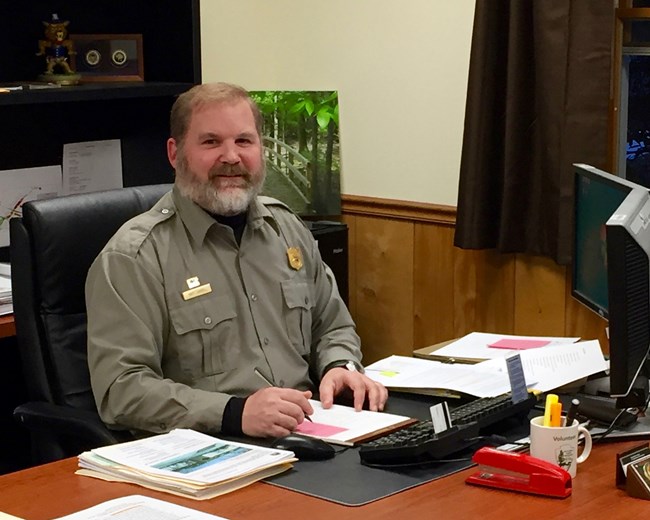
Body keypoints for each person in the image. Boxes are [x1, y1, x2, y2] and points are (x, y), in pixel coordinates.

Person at [86, 82, 388, 439]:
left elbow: (332, 325)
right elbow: (121, 390)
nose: (231, 157)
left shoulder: (286, 229)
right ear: (174, 153)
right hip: (212, 449)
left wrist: (341, 365)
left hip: (312, 433)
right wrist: (233, 413)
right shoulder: (135, 257)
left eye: (244, 141)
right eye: (211, 142)